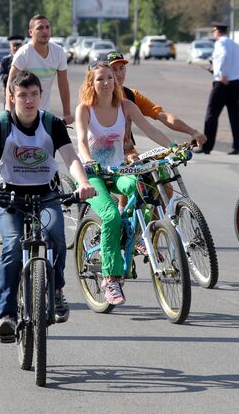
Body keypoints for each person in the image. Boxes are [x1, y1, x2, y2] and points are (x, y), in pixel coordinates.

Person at [0, 71, 95, 340]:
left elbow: (71, 159)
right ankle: (6, 315)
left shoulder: (51, 123)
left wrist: (82, 183)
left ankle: (57, 290)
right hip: (9, 197)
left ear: (40, 95)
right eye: (23, 95)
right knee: (13, 246)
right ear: (12, 97)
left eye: (34, 94)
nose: (29, 101)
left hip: (46, 194)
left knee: (55, 237)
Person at [76, 61, 178, 306]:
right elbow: (80, 142)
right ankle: (110, 278)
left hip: (120, 171)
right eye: (100, 79)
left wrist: (173, 149)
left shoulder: (126, 106)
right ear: (91, 83)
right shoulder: (85, 109)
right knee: (110, 216)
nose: (106, 83)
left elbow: (150, 130)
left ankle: (138, 235)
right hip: (94, 174)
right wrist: (89, 160)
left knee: (148, 188)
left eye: (110, 78)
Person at [104, 50, 206, 156]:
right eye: (114, 69)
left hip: (128, 155)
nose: (119, 74)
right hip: (103, 157)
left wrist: (192, 132)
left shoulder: (130, 96)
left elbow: (162, 118)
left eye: (122, 68)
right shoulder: (93, 100)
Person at [5, 15, 73, 124]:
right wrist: (9, 111)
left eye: (47, 27)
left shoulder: (58, 52)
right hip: (22, 114)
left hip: (44, 113)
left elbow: (63, 84)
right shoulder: (24, 54)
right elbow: (10, 84)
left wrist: (67, 113)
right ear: (31, 32)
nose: (45, 31)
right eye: (40, 28)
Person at [196, 22, 239, 155]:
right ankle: (238, 147)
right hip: (235, 82)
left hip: (222, 84)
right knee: (235, 116)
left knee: (211, 115)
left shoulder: (220, 43)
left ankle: (207, 146)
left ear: (217, 31)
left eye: (214, 31)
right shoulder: (234, 44)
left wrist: (219, 73)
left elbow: (222, 55)